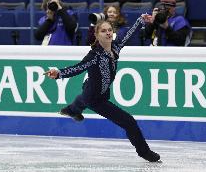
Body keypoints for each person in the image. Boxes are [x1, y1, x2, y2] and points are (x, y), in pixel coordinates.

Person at [44, 17, 161, 162]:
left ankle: (71, 110)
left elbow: (128, 34)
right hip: (95, 98)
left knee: (83, 97)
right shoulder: (94, 55)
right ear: (97, 35)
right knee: (128, 121)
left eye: (110, 30)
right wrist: (59, 73)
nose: (108, 33)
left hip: (95, 89)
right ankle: (145, 153)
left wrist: (140, 21)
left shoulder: (115, 47)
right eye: (103, 31)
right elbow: (78, 68)